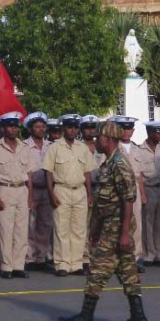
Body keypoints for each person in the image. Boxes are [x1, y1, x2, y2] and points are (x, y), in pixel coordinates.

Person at [59, 120, 149, 321]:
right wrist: (95, 228)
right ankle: (139, 318)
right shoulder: (109, 163)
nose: (95, 140)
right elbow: (103, 200)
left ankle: (85, 318)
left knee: (97, 269)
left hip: (116, 227)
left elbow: (129, 198)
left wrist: (125, 232)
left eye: (98, 137)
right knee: (127, 271)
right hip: (110, 225)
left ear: (108, 139)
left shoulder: (119, 164)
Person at [43, 114, 95, 277]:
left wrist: (89, 193)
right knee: (61, 228)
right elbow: (48, 173)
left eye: (74, 127)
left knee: (79, 229)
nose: (72, 130)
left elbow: (87, 172)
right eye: (69, 127)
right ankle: (62, 264)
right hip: (61, 189)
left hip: (79, 190)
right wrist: (51, 194)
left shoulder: (82, 148)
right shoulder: (55, 147)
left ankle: (77, 263)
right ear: (64, 128)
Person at [0, 111, 34, 279]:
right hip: (4, 188)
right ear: (3, 129)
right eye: (10, 127)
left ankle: (19, 265)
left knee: (21, 230)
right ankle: (6, 266)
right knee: (5, 229)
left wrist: (30, 196)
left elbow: (30, 174)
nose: (14, 130)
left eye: (15, 126)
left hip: (22, 189)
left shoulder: (24, 148)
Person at [111, 115, 146, 273]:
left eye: (129, 128)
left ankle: (134, 258)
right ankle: (117, 259)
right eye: (123, 128)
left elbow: (140, 175)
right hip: (117, 189)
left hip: (134, 190)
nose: (126, 132)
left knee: (136, 223)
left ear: (133, 130)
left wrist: (143, 194)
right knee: (117, 223)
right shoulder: (112, 147)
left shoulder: (138, 149)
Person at [133, 120, 160, 266]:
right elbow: (140, 174)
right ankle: (149, 254)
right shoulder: (139, 150)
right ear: (150, 133)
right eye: (158, 132)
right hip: (148, 187)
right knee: (147, 221)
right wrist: (142, 193)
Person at [23, 111, 52, 271]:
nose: (40, 129)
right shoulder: (24, 146)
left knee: (45, 223)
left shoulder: (51, 146)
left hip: (47, 189)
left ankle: (41, 257)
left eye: (42, 126)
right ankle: (29, 257)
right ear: (30, 128)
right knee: (30, 224)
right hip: (30, 188)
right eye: (37, 127)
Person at [80, 114, 104, 274]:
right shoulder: (78, 147)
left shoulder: (102, 146)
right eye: (87, 128)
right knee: (83, 225)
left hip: (102, 189)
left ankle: (98, 256)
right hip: (84, 188)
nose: (90, 131)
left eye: (93, 128)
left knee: (100, 225)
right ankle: (84, 258)